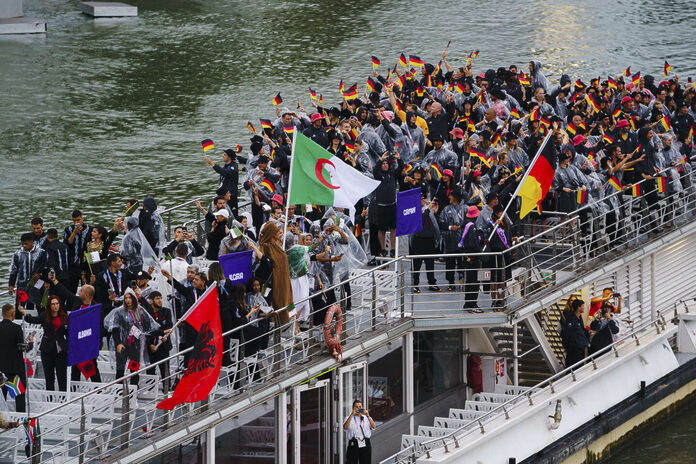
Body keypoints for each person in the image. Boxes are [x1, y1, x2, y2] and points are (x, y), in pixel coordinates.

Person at [104, 289, 160, 386]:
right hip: (122, 344)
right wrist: (118, 343)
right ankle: (120, 391)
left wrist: (141, 333)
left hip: (135, 344)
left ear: (134, 299)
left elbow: (150, 325)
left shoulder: (140, 310)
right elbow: (114, 328)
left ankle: (134, 389)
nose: (128, 300)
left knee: (134, 368)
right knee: (120, 369)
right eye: (126, 298)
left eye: (130, 298)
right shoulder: (119, 311)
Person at [17, 295, 69, 392]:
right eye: (53, 304)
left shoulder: (64, 317)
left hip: (61, 350)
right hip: (47, 350)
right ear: (49, 305)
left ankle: (63, 400)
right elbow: (33, 320)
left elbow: (69, 333)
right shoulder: (44, 315)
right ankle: (50, 399)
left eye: (57, 304)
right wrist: (24, 313)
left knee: (62, 377)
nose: (55, 306)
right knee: (49, 378)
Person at [0, 304, 33, 412]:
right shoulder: (16, 328)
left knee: (1, 398)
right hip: (16, 370)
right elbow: (22, 347)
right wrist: (30, 344)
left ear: (2, 314)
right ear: (13, 313)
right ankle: (21, 422)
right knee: (20, 398)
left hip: (1, 370)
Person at [258, 222, 292, 325]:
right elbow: (266, 263)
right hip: (273, 283)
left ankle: (288, 327)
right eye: (277, 231)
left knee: (287, 302)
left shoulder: (276, 245)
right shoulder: (266, 247)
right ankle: (276, 329)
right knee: (274, 306)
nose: (279, 232)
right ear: (272, 233)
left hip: (284, 281)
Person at [409, 191, 441, 293]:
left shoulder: (428, 211)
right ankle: (415, 284)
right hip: (418, 240)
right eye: (421, 199)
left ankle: (432, 283)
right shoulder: (413, 211)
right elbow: (421, 218)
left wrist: (435, 213)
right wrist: (428, 209)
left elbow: (435, 224)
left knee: (430, 263)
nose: (423, 200)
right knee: (417, 264)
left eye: (423, 198)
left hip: (429, 240)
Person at [9, 232, 48, 312]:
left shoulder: (42, 253)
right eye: (23, 244)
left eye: (26, 244)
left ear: (32, 242)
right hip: (22, 286)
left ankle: (41, 322)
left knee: (40, 307)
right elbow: (14, 270)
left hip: (38, 285)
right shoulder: (17, 254)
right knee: (19, 307)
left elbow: (46, 268)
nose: (24, 246)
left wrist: (40, 274)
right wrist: (11, 285)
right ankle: (20, 323)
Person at [144, 291, 173, 393]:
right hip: (150, 346)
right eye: (157, 298)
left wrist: (164, 334)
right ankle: (151, 391)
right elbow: (147, 331)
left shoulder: (166, 311)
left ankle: (167, 390)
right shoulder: (146, 313)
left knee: (165, 369)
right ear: (151, 301)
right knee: (150, 370)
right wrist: (150, 344)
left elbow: (169, 327)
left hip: (163, 345)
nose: (160, 300)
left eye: (160, 298)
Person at [63, 209, 93, 292]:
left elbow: (93, 246)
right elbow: (68, 243)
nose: (76, 223)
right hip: (73, 264)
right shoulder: (68, 229)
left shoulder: (90, 229)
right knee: (71, 289)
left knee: (87, 289)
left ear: (82, 218)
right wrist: (74, 232)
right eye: (74, 221)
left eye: (78, 220)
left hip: (86, 263)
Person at [343, 399, 376, 464]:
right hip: (354, 441)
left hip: (365, 441)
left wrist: (368, 415)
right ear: (353, 408)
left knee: (365, 461)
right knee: (351, 461)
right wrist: (352, 415)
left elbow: (374, 426)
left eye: (360, 407)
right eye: (356, 407)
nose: (358, 408)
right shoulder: (348, 418)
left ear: (362, 408)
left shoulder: (366, 417)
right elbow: (345, 427)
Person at [562, 298, 589, 367]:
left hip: (581, 348)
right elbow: (566, 334)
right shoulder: (571, 319)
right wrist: (566, 346)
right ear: (578, 307)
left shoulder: (580, 318)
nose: (583, 308)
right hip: (573, 349)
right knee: (572, 366)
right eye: (582, 306)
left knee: (580, 366)